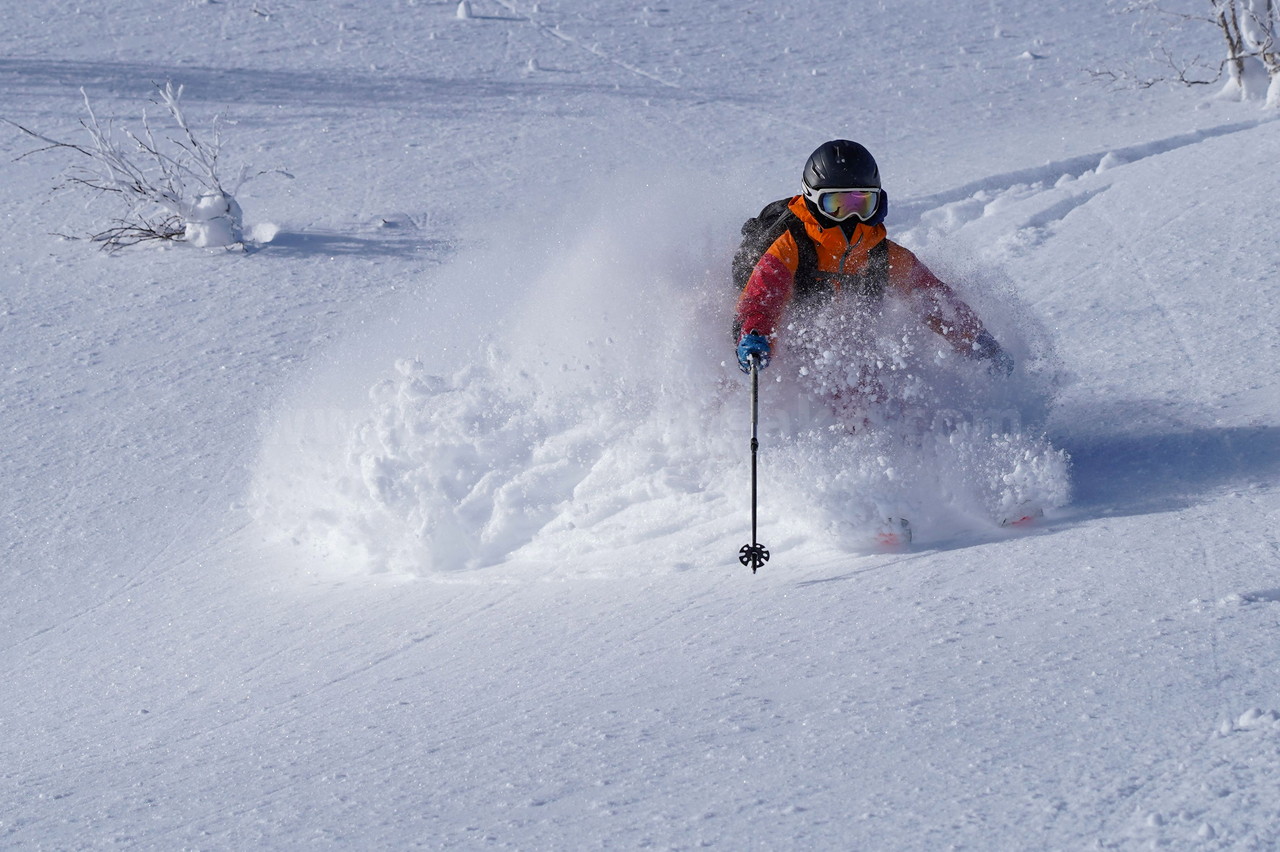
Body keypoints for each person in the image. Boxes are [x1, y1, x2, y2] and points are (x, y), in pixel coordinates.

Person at [733, 140, 1013, 387]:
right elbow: (760, 300)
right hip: (790, 333)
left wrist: (975, 340)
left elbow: (932, 297)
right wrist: (755, 335)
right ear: (812, 200)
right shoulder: (790, 246)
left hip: (845, 351)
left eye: (861, 204)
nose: (851, 218)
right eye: (837, 206)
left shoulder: (884, 255)